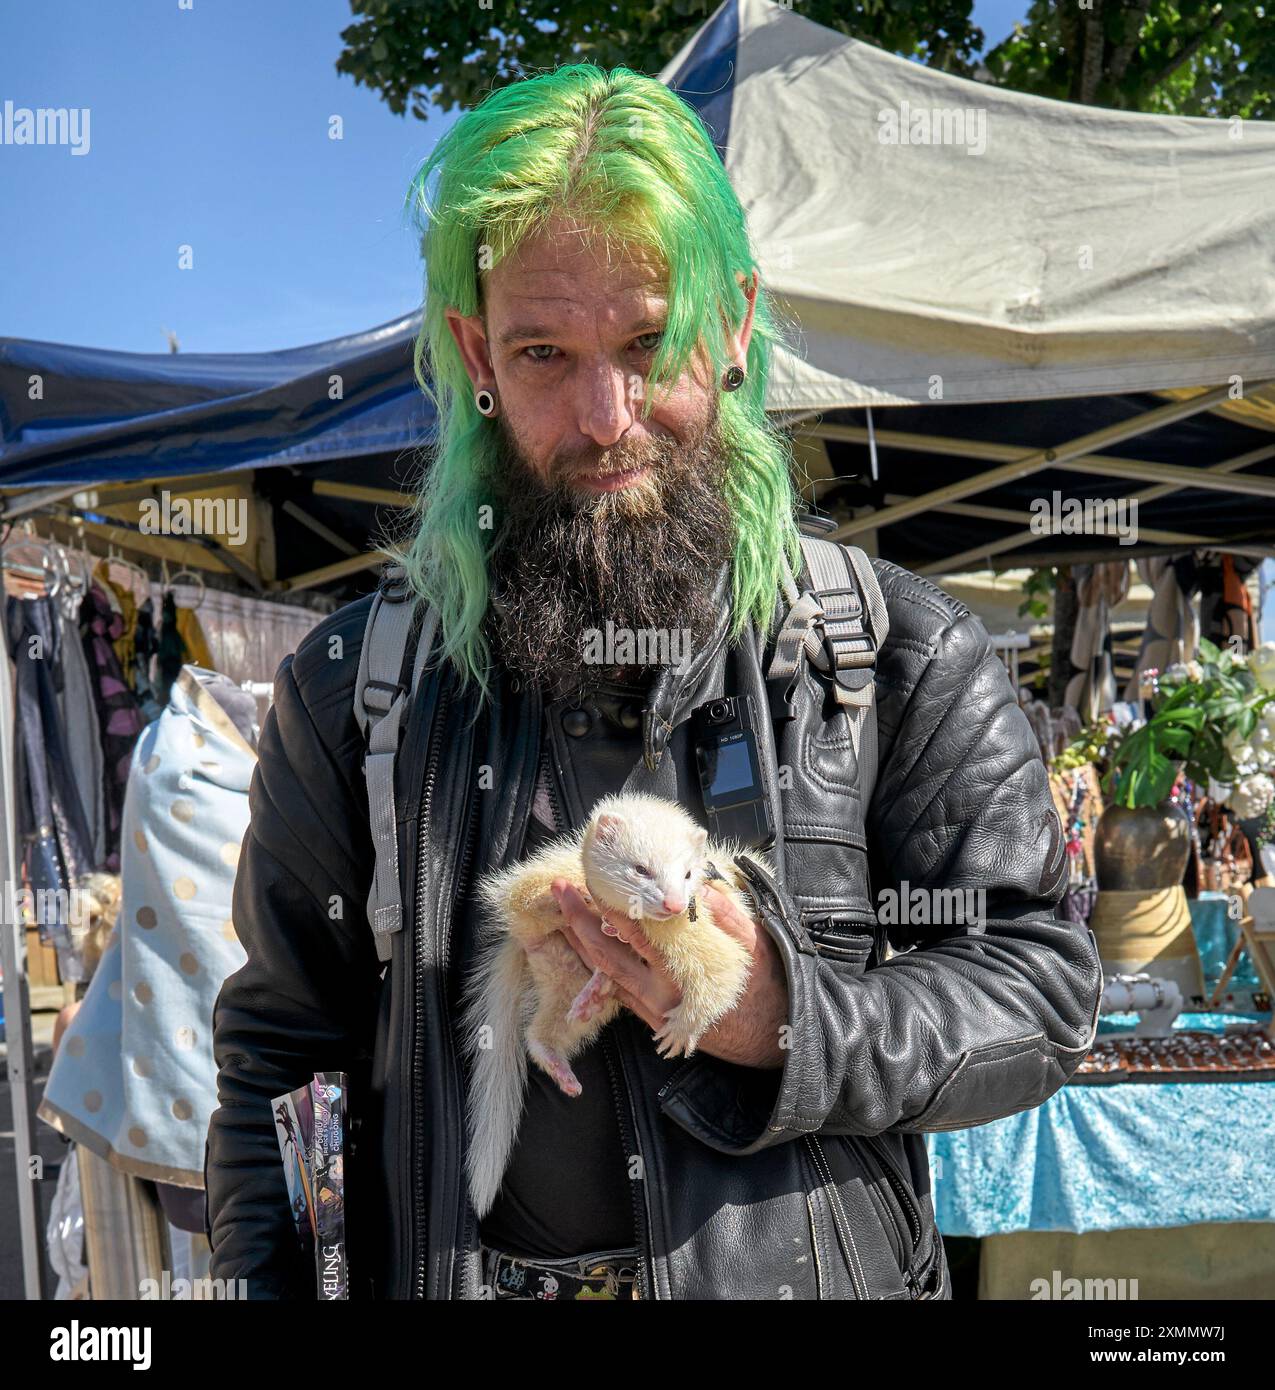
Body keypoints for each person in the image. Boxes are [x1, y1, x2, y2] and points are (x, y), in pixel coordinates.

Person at [205, 62, 1103, 1301]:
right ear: (475, 350)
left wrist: (786, 1019)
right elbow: (275, 1055)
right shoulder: (357, 688)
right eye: (542, 351)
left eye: (648, 342)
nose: (606, 412)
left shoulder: (893, 653)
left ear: (731, 328)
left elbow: (1040, 988)